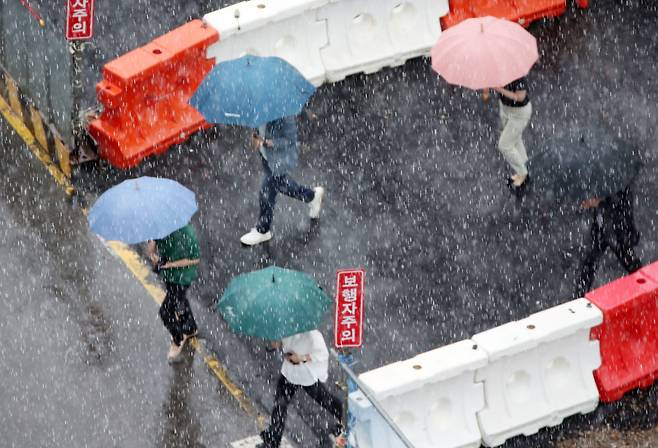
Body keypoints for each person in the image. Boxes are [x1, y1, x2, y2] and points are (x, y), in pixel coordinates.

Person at [240, 116, 324, 246]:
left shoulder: (284, 116)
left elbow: (290, 140)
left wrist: (268, 143)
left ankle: (263, 230)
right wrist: (255, 138)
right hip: (267, 159)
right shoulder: (259, 112)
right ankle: (311, 196)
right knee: (283, 186)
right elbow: (258, 131)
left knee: (266, 193)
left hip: (279, 161)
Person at [257, 330, 345, 448]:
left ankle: (342, 419)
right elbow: (281, 344)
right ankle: (273, 440)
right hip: (289, 373)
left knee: (325, 399)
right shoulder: (287, 327)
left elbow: (322, 354)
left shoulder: (313, 334)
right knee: (280, 405)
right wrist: (276, 343)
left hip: (305, 375)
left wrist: (301, 358)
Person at [147, 223, 201, 362]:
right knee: (179, 299)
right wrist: (152, 248)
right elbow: (152, 250)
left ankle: (178, 338)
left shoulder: (187, 234)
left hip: (183, 276)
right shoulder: (158, 227)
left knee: (165, 312)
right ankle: (190, 328)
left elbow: (195, 259)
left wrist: (170, 265)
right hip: (169, 275)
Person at [574, 187, 642, 297]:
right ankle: (579, 295)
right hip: (606, 215)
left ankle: (644, 287)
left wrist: (600, 201)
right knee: (593, 256)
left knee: (623, 251)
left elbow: (618, 197)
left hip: (614, 215)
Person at [492, 76, 532, 195]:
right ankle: (525, 166)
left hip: (519, 114)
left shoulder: (518, 77)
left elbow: (520, 97)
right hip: (505, 109)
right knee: (515, 140)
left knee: (504, 145)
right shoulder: (496, 71)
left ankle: (523, 173)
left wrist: (499, 89)